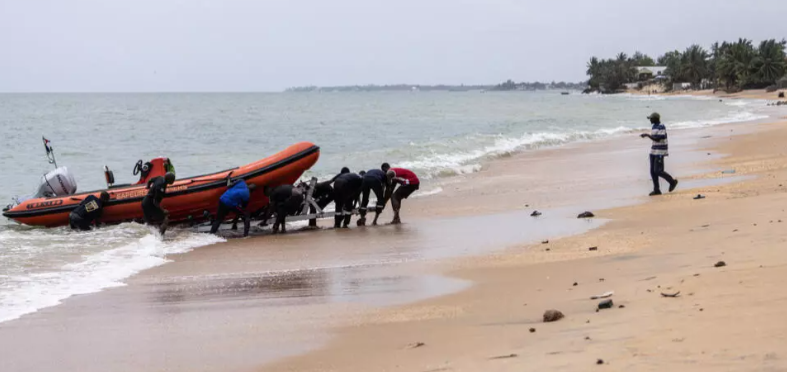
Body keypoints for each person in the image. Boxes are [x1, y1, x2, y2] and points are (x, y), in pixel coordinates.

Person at [640, 112, 678, 196]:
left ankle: (672, 182)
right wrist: (648, 135)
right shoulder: (653, 126)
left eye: (651, 118)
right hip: (653, 151)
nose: (650, 119)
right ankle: (656, 190)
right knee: (652, 172)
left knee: (658, 171)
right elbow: (655, 139)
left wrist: (647, 135)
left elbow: (658, 139)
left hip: (660, 151)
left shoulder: (661, 126)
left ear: (656, 118)